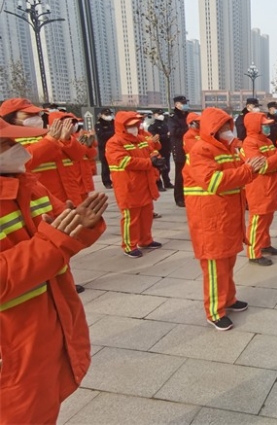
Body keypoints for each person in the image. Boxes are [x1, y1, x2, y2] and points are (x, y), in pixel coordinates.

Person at [0, 117, 108, 424]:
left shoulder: (27, 185)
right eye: (6, 145)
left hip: (45, 329)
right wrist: (54, 242)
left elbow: (65, 226)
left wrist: (84, 226)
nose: (19, 149)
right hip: (11, 343)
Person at [183, 108, 265, 330]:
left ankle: (228, 299)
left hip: (225, 217)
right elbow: (213, 181)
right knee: (215, 267)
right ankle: (215, 311)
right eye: (224, 127)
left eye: (229, 125)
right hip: (209, 220)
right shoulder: (200, 150)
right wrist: (248, 171)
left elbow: (239, 176)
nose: (228, 130)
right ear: (213, 129)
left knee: (227, 263)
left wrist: (252, 170)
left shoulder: (227, 149)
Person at [106, 111, 163, 258]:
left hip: (144, 184)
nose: (135, 128)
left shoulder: (140, 139)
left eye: (136, 125)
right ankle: (129, 245)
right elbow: (124, 161)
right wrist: (150, 162)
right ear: (122, 126)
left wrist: (157, 159)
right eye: (131, 126)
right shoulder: (114, 142)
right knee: (131, 218)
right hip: (128, 186)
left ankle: (145, 240)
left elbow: (151, 150)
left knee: (146, 215)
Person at [240, 112, 277, 266]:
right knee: (258, 221)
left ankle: (265, 244)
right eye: (264, 125)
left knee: (267, 219)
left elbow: (276, 161)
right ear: (256, 126)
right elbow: (262, 166)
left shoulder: (266, 141)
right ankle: (254, 253)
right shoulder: (249, 143)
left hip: (270, 186)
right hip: (259, 188)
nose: (268, 128)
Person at [169, 96, 189, 207]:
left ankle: (187, 195)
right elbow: (174, 132)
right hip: (179, 148)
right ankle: (179, 198)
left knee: (189, 174)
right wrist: (189, 129)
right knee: (180, 175)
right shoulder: (173, 118)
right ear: (177, 104)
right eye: (183, 103)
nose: (185, 105)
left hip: (190, 148)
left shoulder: (188, 115)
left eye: (185, 102)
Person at [148, 109, 173, 191]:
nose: (161, 115)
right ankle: (158, 184)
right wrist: (166, 136)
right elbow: (154, 138)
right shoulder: (152, 126)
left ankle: (167, 182)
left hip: (166, 148)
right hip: (158, 150)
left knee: (167, 167)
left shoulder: (165, 124)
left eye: (161, 114)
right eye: (159, 114)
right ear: (154, 115)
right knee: (158, 169)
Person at [95, 108, 115, 188]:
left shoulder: (113, 122)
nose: (108, 116)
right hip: (104, 146)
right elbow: (101, 135)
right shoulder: (99, 124)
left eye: (109, 114)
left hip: (113, 146)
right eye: (106, 114)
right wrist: (113, 133)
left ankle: (114, 180)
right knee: (105, 165)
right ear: (102, 115)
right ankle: (106, 182)